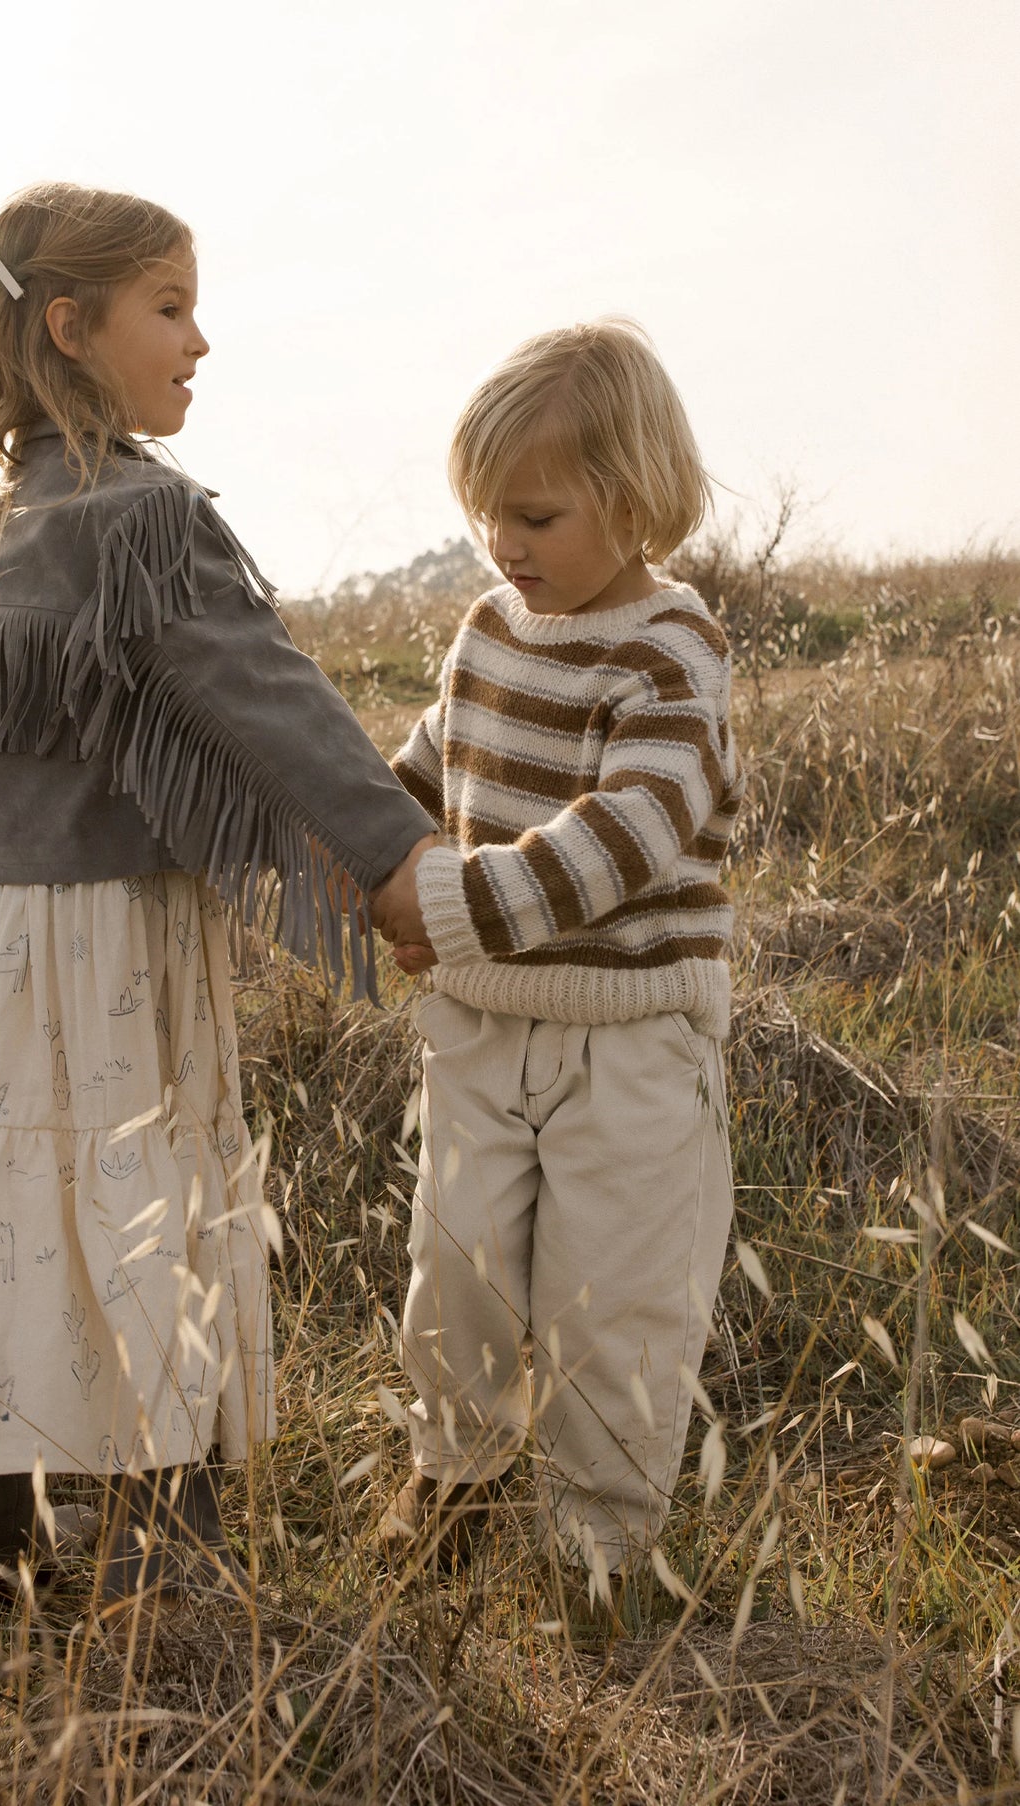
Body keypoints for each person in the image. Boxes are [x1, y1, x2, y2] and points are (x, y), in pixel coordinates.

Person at [0, 181, 437, 1610]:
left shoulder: (18, 518)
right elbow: (264, 699)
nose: (200, 341)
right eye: (168, 308)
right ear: (71, 325)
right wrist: (396, 857)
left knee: (6, 1214)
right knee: (131, 1214)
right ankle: (167, 1573)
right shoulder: (137, 518)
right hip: (100, 947)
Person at [373, 320, 742, 1601]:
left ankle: (602, 1542)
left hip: (627, 1042)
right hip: (480, 1028)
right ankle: (453, 1474)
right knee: (456, 1267)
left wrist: (453, 901)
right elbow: (432, 763)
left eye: (533, 516)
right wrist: (365, 836)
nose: (505, 547)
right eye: (487, 520)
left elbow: (627, 837)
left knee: (614, 1298)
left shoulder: (669, 657)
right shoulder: (489, 627)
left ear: (631, 503)